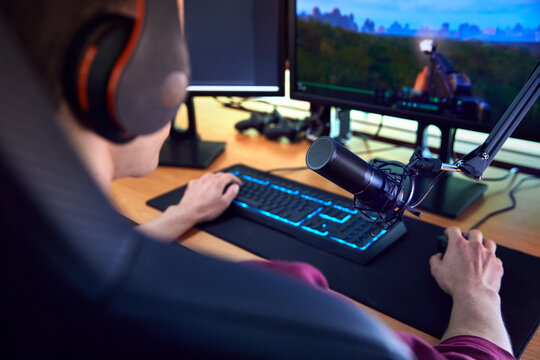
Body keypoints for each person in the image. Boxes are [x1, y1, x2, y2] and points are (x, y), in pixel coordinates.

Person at [0, 1, 514, 359]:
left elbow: (91, 265)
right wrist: (477, 298)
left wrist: (178, 216)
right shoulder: (288, 313)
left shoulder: (31, 261)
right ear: (137, 72)